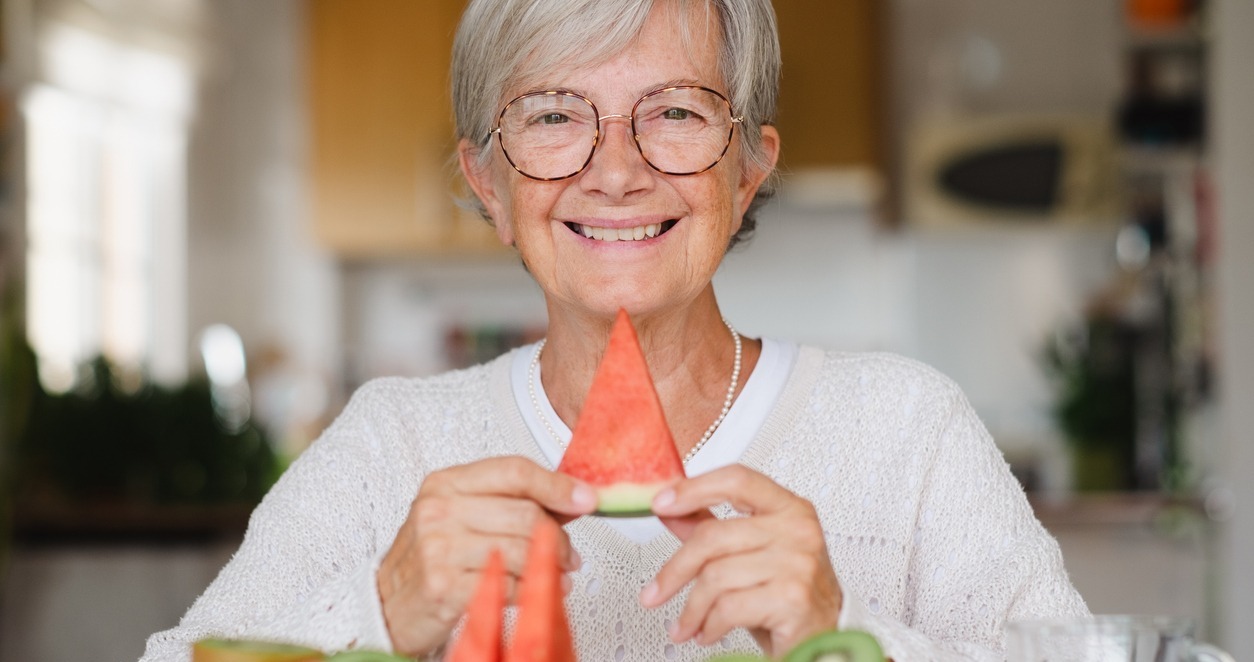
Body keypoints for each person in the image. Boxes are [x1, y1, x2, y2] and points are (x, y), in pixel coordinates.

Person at [142, 0, 1088, 660]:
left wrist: (848, 633)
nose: (617, 171)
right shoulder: (392, 446)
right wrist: (378, 612)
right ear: (489, 184)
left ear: (749, 169)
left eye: (675, 112)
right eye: (555, 117)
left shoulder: (905, 429)